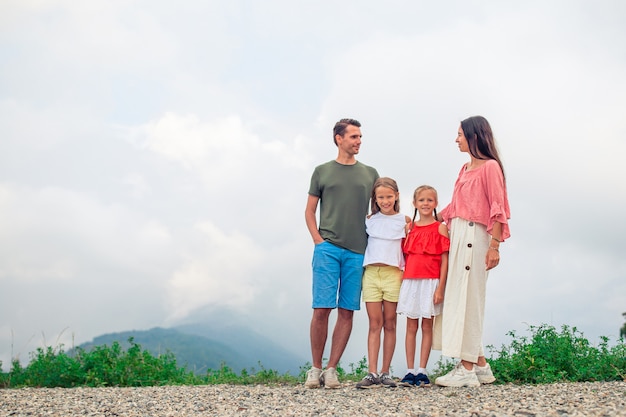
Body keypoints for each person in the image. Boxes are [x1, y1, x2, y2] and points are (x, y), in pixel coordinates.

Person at [434, 115, 511, 388]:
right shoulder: (465, 168)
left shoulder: (490, 167)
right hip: (458, 235)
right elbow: (455, 205)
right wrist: (430, 219)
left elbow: (499, 208)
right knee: (461, 296)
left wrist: (494, 246)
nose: (456, 139)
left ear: (474, 136)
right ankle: (479, 365)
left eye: (459, 134)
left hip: (475, 236)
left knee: (468, 299)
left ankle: (465, 369)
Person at [304, 118, 379, 389]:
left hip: (358, 251)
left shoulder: (370, 173)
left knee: (347, 311)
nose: (358, 141)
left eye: (360, 137)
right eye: (354, 137)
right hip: (328, 248)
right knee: (321, 308)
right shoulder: (322, 171)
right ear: (339, 138)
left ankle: (332, 368)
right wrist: (318, 240)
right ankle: (315, 369)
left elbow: (380, 208)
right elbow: (309, 210)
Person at [355, 177, 410, 389]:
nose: (385, 201)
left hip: (393, 274)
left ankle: (386, 372)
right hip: (371, 273)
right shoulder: (370, 219)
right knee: (374, 323)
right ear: (375, 199)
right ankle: (372, 372)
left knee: (390, 323)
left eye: (389, 196)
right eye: (380, 197)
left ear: (396, 196)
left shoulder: (404, 221)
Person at [397, 185, 450, 388]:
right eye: (422, 200)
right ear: (415, 203)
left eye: (429, 200)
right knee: (411, 326)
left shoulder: (440, 227)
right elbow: (404, 255)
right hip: (411, 281)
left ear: (435, 203)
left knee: (427, 326)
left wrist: (440, 288)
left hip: (431, 282)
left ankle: (422, 370)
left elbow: (445, 260)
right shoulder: (410, 229)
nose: (425, 204)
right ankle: (410, 371)